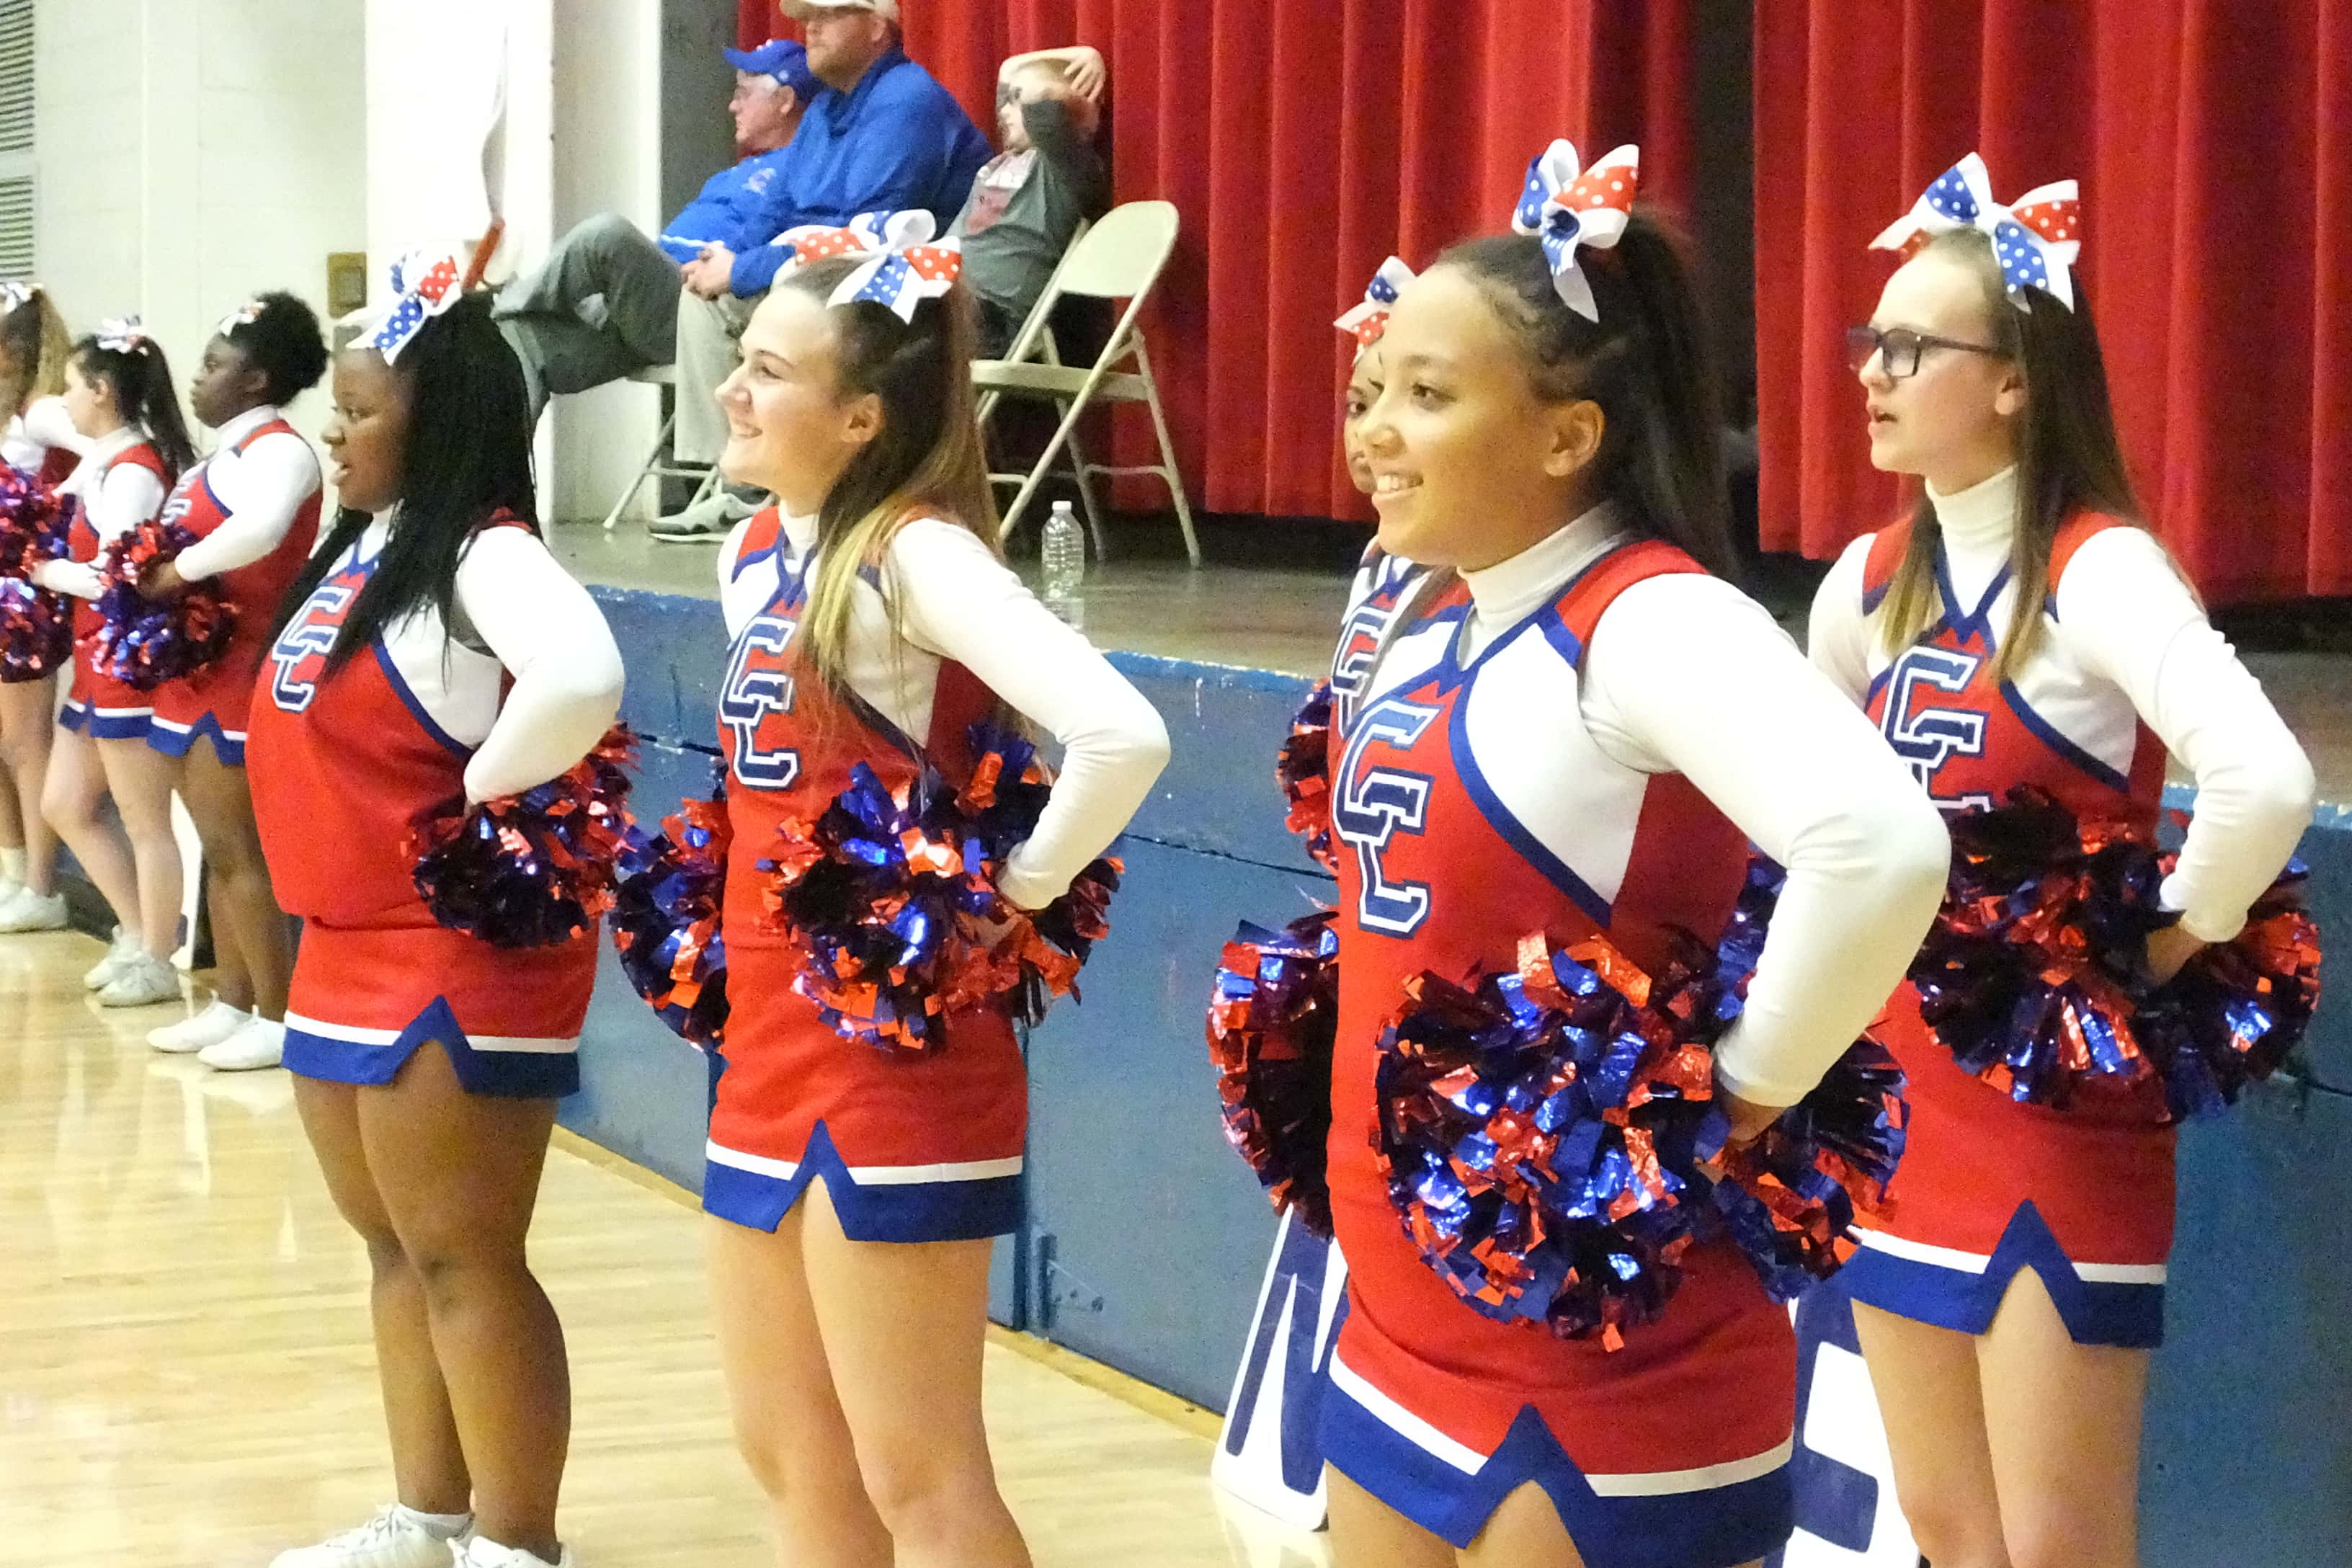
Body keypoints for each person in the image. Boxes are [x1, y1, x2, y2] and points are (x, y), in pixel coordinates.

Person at [1312, 141, 1948, 1567]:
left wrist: (1743, 1089)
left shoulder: (1650, 620)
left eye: (1428, 395)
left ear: (1566, 436)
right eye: (1373, 391)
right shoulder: (1430, 608)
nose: (1375, 430)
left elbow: (1884, 842)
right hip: (1397, 1297)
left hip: (1596, 1350)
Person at [1810, 154, 2318, 1568]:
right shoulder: (1861, 584)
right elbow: (1813, 828)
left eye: (1914, 348)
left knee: (2056, 1541)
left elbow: (2266, 775)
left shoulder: (2096, 569)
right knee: (1946, 1526)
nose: (1875, 372)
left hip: (2050, 1117)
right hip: (1899, 1093)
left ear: (2020, 377)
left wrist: (2158, 942)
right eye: (1872, 342)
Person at [702, 245, 1167, 1564]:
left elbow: (1120, 733)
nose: (733, 390)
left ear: (861, 419)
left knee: (919, 1475)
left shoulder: (912, 558)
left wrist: (1007, 899)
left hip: (892, 1067)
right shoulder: (751, 554)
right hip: (767, 1048)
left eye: (769, 372)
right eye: (742, 361)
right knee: (790, 1451)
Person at [245, 259, 623, 1568]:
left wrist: (479, 785)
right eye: (334, 411)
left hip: (441, 954)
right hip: (339, 946)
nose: (332, 433)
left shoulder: (484, 555)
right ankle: (428, 1516)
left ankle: (518, 1543)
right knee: (396, 1251)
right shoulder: (369, 552)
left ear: (438, 420)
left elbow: (585, 673)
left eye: (356, 412)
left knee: (467, 1257)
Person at [656, 0, 991, 540]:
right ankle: (735, 478)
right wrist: (726, 261)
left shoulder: (907, 101)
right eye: (807, 16)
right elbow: (776, 210)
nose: (810, 27)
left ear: (879, 27)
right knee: (703, 298)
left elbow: (867, 232)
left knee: (779, 291)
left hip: (897, 289)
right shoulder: (821, 113)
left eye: (830, 15)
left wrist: (745, 269)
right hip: (817, 270)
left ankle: (776, 483)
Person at [138, 293, 329, 1071]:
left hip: (246, 668)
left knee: (238, 847)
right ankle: (235, 999)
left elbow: (261, 530)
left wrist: (174, 571)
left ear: (257, 379)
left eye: (215, 366)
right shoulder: (215, 459)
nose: (197, 379)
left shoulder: (281, 451)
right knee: (215, 848)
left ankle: (281, 1017)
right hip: (196, 668)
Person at [488, 38, 819, 420]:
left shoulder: (805, 168)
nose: (732, 106)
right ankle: (496, 477)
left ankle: (493, 309)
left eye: (743, 94)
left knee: (606, 236)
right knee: (516, 342)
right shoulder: (735, 173)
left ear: (786, 101)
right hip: (639, 309)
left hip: (698, 311)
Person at [22, 321, 195, 1006]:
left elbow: (115, 578)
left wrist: (40, 569)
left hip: (129, 662)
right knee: (64, 802)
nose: (61, 400)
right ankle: (138, 931)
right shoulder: (101, 459)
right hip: (95, 662)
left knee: (145, 818)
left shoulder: (134, 473)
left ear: (101, 391)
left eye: (69, 388)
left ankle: (157, 953)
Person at [0, 281, 85, 933]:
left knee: (24, 744)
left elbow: (110, 446)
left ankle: (42, 887)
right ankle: (11, 864)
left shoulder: (40, 412)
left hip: (23, 594)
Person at [950, 45, 1109, 358]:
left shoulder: (1061, 167)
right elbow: (1010, 68)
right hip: (944, 291)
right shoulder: (1003, 162)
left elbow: (1040, 94)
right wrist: (1084, 54)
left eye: (1015, 101)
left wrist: (1086, 84)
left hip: (992, 316)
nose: (1004, 110)